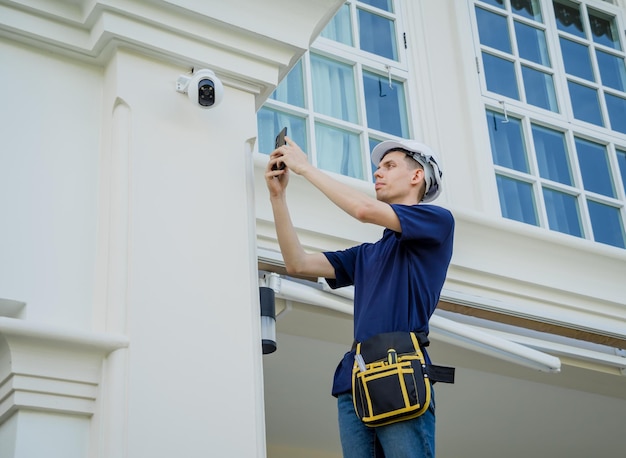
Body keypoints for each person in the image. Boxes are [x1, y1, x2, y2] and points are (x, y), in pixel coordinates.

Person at [265, 136, 454, 458]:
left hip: (398, 366)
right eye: (378, 168)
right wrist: (277, 198)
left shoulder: (437, 220)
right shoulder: (367, 254)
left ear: (417, 176)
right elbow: (297, 263)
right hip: (356, 375)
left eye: (389, 166)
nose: (378, 173)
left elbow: (364, 210)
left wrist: (306, 169)